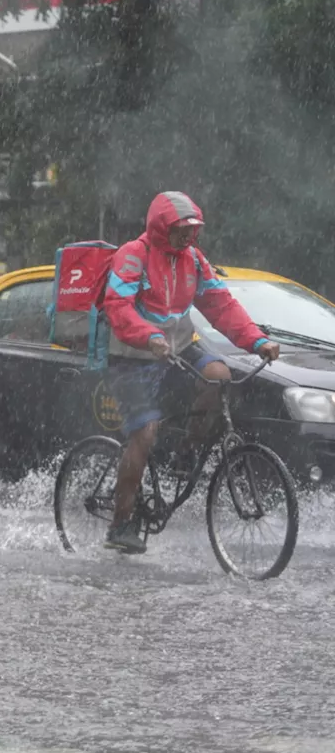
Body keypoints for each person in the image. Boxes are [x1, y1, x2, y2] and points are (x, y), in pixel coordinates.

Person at [102, 191, 280, 554]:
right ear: (160, 228)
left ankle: (185, 453)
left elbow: (221, 306)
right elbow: (117, 307)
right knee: (145, 432)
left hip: (178, 346)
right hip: (132, 355)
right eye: (181, 230)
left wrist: (256, 341)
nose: (188, 237)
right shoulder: (133, 255)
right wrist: (148, 337)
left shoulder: (194, 260)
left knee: (219, 376)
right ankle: (121, 524)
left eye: (193, 230)